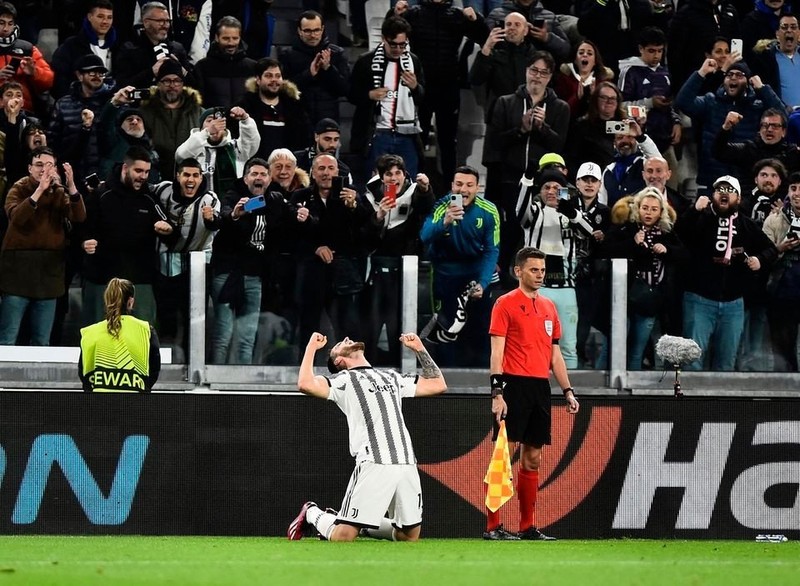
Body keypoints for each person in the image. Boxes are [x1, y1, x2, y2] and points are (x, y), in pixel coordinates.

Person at [288, 330, 447, 542]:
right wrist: (310, 348)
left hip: (406, 460)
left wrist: (419, 348)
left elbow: (438, 385)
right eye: (339, 345)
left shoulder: (391, 376)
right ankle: (312, 513)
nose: (346, 338)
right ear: (340, 361)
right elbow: (305, 384)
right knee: (343, 537)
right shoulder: (342, 381)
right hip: (375, 460)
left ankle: (357, 523)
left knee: (407, 536)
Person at [485, 246, 579, 541]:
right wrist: (497, 393)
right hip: (513, 384)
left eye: (541, 270)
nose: (539, 275)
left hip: (540, 387)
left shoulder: (550, 307)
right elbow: (496, 352)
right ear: (518, 271)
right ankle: (493, 526)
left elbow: (556, 356)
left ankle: (527, 526)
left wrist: (567, 390)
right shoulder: (505, 304)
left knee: (533, 458)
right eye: (533, 270)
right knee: (504, 455)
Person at [674, 175, 778, 370]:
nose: (724, 194)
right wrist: (693, 211)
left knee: (726, 364)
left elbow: (770, 249)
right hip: (699, 300)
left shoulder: (746, 225)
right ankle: (689, 402)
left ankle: (721, 402)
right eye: (720, 189)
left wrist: (760, 260)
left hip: (733, 304)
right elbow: (677, 234)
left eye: (730, 191)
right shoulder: (699, 217)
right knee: (692, 363)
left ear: (738, 199)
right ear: (713, 194)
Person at [0, 148, 86, 345]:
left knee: (42, 341)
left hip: (49, 272)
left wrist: (71, 187)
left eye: (50, 166)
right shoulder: (18, 188)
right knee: (8, 337)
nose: (44, 170)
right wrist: (39, 191)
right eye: (39, 165)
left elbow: (79, 217)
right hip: (18, 273)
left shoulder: (59, 192)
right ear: (30, 168)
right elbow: (17, 219)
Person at [81, 145, 173, 326]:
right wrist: (84, 242)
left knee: (143, 338)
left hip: (140, 280)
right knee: (101, 337)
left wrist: (168, 230)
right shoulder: (101, 195)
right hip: (103, 280)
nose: (144, 176)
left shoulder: (150, 199)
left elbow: (169, 230)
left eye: (147, 172)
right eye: (138, 171)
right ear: (125, 168)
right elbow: (82, 229)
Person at [596, 187, 686, 370]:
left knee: (637, 351)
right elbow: (604, 249)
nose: (649, 213)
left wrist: (667, 250)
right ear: (638, 208)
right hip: (623, 299)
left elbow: (685, 255)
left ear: (661, 212)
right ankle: (597, 391)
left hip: (650, 301)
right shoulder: (626, 228)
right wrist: (633, 243)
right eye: (645, 208)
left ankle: (632, 395)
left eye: (654, 209)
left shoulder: (667, 233)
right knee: (611, 347)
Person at [419, 166, 500, 367]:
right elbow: (424, 236)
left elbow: (492, 250)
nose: (463, 189)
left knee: (481, 328)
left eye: (469, 185)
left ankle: (483, 380)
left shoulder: (489, 211)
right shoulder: (441, 206)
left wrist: (483, 282)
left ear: (477, 187)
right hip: (445, 275)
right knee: (448, 329)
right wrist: (445, 221)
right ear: (452, 186)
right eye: (459, 184)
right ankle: (446, 378)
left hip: (475, 274)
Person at [674, 59, 784, 195]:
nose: (733, 78)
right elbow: (683, 102)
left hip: (745, 182)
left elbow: (782, 116)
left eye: (739, 75)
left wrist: (762, 88)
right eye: (729, 75)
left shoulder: (756, 106)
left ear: (748, 81)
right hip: (712, 179)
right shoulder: (710, 102)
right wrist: (701, 73)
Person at [349, 16, 426, 178]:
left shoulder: (414, 61)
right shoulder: (366, 62)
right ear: (383, 39)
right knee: (376, 183)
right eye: (393, 44)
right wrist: (369, 95)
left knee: (408, 184)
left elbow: (423, 97)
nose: (398, 49)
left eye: (402, 44)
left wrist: (415, 87)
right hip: (378, 134)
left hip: (407, 134)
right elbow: (351, 94)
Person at [79, 277, 161, 392]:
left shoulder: (90, 332)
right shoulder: (146, 330)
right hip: (136, 404)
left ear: (107, 300)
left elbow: (83, 374)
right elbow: (154, 370)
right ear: (130, 301)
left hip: (98, 405)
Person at [278, 10, 351, 125]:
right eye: (307, 31)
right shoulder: (287, 55)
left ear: (322, 29)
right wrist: (309, 74)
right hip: (297, 119)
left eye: (316, 30)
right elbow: (282, 90)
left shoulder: (336, 53)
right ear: (299, 31)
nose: (313, 35)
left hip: (328, 121)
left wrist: (329, 69)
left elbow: (345, 90)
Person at [138, 59, 204, 180]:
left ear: (183, 84)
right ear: (158, 84)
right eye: (167, 81)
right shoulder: (145, 111)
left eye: (177, 81)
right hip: (155, 174)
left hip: (189, 175)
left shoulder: (197, 111)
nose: (172, 85)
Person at [175, 105, 260, 196]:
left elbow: (251, 142)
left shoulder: (235, 148)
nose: (215, 124)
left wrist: (245, 119)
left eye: (219, 120)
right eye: (210, 121)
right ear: (201, 128)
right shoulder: (194, 147)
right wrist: (207, 132)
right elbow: (180, 155)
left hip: (232, 205)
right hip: (200, 205)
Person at [237, 57, 312, 161]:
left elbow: (304, 140)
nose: (274, 80)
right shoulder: (245, 107)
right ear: (258, 80)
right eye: (268, 76)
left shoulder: (295, 108)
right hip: (256, 168)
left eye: (278, 76)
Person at [762, 171, 800, 371]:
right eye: (793, 188)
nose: (797, 193)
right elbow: (762, 258)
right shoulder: (773, 220)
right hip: (781, 293)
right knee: (783, 352)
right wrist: (780, 249)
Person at [113, 1, 194, 89]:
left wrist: (181, 70)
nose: (166, 26)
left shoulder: (177, 49)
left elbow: (193, 86)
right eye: (160, 21)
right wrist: (151, 72)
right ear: (146, 22)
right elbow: (122, 85)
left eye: (167, 21)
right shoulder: (129, 50)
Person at [50, 0, 118, 100]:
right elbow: (59, 81)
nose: (105, 22)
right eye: (100, 16)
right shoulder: (71, 45)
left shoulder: (120, 46)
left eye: (109, 18)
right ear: (90, 17)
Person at [0, 1, 54, 116]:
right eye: (1, 23)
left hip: (24, 111)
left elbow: (49, 81)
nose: (5, 28)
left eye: (10, 23)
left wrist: (34, 73)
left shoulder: (27, 48)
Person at [193, 16, 257, 109]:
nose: (231, 43)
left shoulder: (252, 67)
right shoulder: (202, 67)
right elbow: (198, 103)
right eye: (226, 38)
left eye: (235, 38)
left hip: (244, 121)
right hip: (213, 121)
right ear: (217, 37)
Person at [553, 39, 614, 119]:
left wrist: (594, 97)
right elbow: (561, 113)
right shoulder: (564, 79)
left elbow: (608, 113)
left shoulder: (603, 81)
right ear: (575, 60)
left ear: (595, 61)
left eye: (589, 53)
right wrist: (577, 97)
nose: (585, 55)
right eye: (581, 53)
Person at [751, 14, 800, 109]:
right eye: (784, 27)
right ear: (777, 33)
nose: (789, 30)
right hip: (782, 117)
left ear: (798, 33)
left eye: (793, 27)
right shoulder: (766, 59)